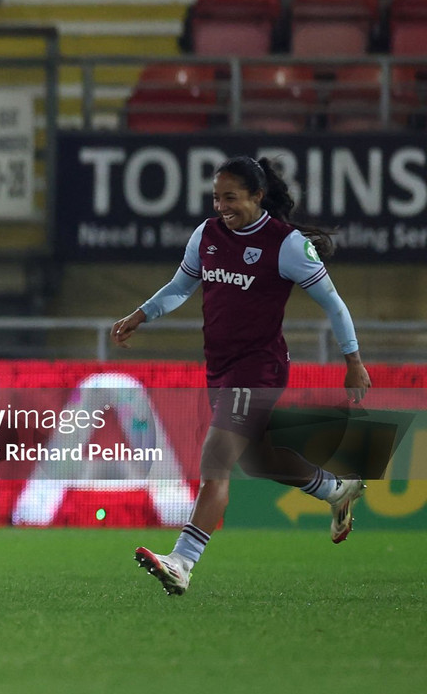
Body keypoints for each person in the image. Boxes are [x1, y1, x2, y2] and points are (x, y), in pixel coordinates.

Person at [111, 156, 371, 596]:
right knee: (258, 458)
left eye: (230, 197)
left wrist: (353, 361)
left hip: (260, 368)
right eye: (216, 197)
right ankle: (335, 490)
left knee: (216, 459)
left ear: (257, 195)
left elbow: (334, 304)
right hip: (220, 366)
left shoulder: (286, 245)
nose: (221, 206)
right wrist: (141, 314)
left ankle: (182, 561)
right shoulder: (207, 235)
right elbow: (180, 286)